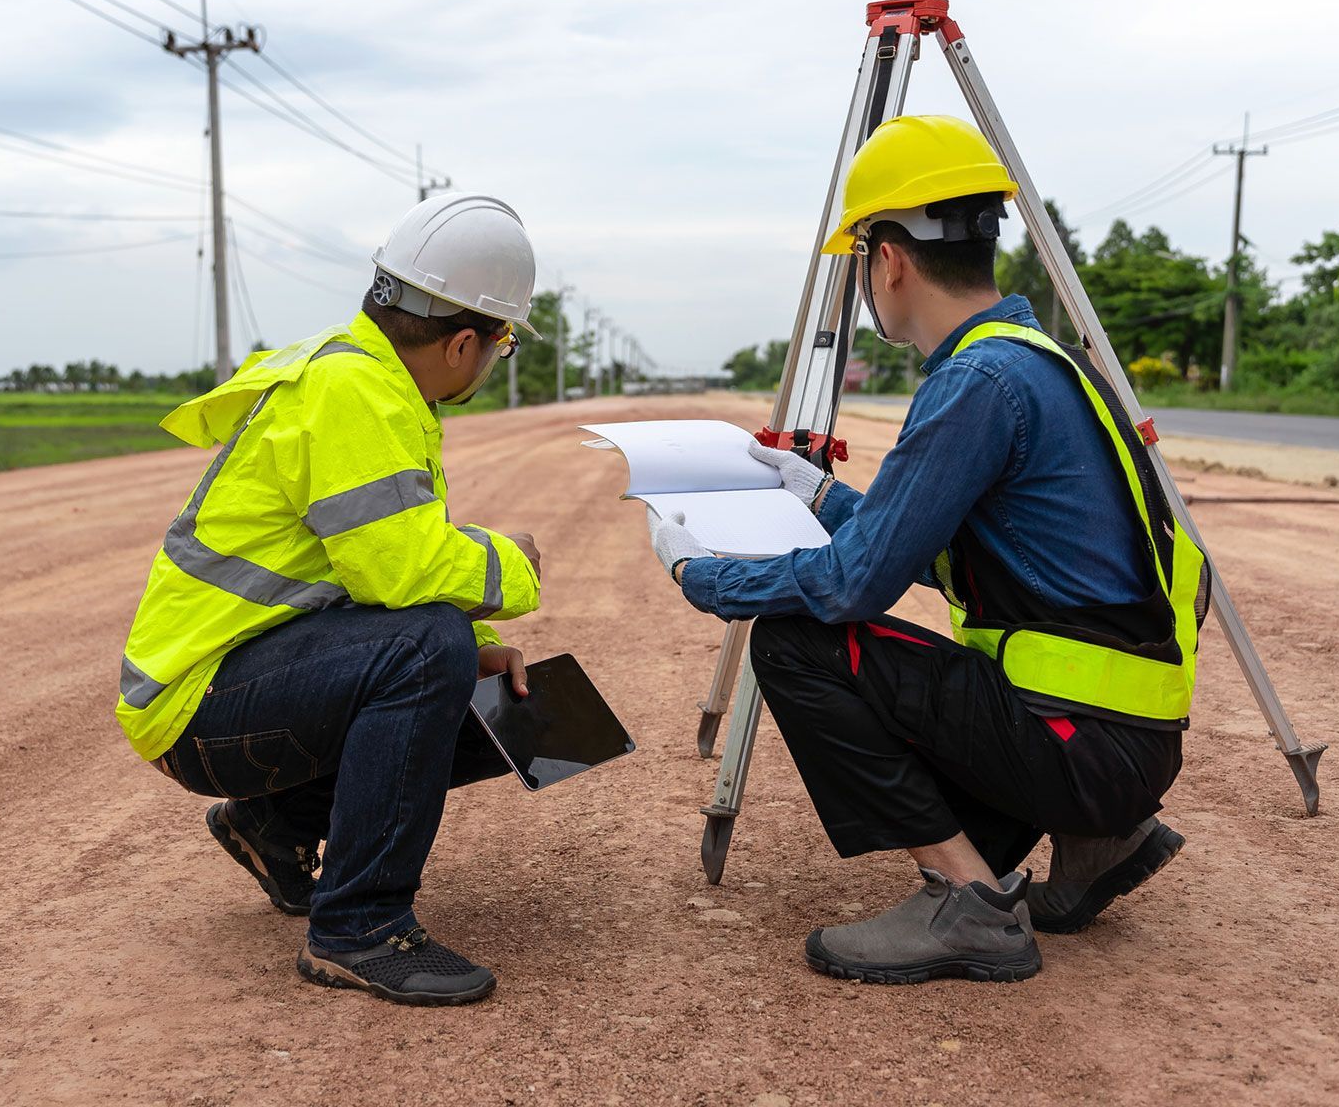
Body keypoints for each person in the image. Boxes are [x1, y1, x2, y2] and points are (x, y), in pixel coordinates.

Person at [648, 115, 1207, 984]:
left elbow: (855, 584)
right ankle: (1100, 838)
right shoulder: (1036, 360)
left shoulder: (975, 383)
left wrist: (703, 575)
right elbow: (930, 550)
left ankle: (970, 904)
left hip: (1084, 744)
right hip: (1121, 740)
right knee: (880, 651)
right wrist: (819, 492)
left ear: (891, 260)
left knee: (796, 645)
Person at [117, 193, 544, 1006]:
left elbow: (367, 573)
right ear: (463, 344)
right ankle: (359, 928)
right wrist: (511, 566)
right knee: (431, 650)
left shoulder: (355, 375)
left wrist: (456, 645)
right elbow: (404, 573)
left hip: (229, 683)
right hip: (197, 706)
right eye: (502, 345)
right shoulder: (355, 394)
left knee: (457, 669)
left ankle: (271, 829)